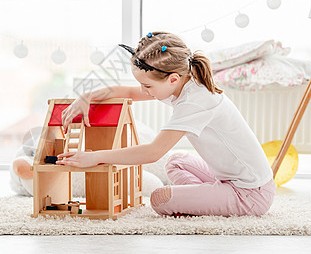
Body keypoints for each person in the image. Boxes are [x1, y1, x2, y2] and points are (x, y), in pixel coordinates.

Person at [57, 31, 276, 217]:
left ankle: (208, 199)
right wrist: (86, 96)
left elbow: (153, 152)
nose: (143, 91)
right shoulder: (183, 80)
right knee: (175, 162)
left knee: (160, 199)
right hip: (230, 179)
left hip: (250, 193)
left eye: (147, 86)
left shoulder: (196, 101)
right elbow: (127, 92)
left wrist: (95, 157)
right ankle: (208, 197)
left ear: (172, 79)